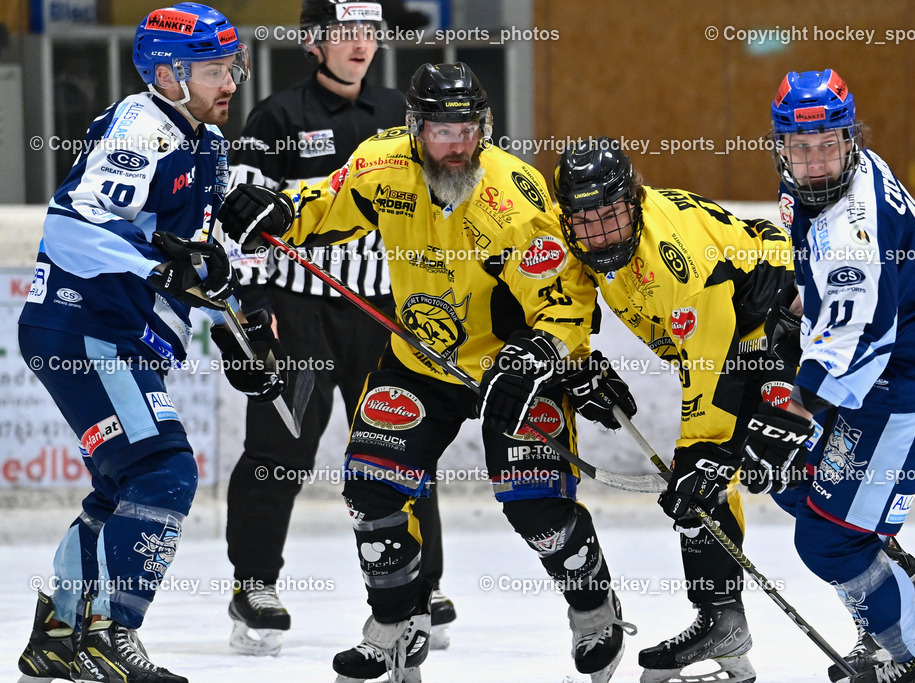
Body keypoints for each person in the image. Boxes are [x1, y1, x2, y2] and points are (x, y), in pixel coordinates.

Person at [219, 61, 636, 683]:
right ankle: (394, 622)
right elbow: (326, 205)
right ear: (414, 128)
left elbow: (564, 297)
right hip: (420, 358)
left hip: (511, 369)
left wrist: (542, 353)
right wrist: (278, 211)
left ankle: (593, 608)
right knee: (373, 489)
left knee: (535, 505)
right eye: (442, 131)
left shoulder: (513, 196)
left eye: (467, 129)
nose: (456, 145)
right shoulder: (380, 164)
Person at [14, 4, 281, 682]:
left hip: (112, 333)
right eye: (218, 69)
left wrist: (237, 325)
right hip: (85, 326)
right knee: (165, 472)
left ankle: (58, 631)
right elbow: (68, 229)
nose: (233, 81)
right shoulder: (142, 128)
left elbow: (194, 257)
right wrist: (165, 268)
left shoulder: (206, 141)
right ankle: (110, 633)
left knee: (123, 486)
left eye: (234, 66)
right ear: (168, 74)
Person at [220, 0, 455, 656]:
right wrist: (255, 306)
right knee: (278, 450)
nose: (360, 45)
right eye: (345, 33)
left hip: (381, 309)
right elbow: (240, 227)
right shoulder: (276, 117)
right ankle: (254, 583)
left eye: (369, 33)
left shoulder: (398, 116)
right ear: (312, 42)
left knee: (402, 440)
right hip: (299, 315)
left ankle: (421, 584)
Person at [743, 68, 915, 683]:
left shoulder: (852, 229)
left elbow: (856, 341)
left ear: (849, 139)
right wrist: (801, 304)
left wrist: (790, 416)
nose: (818, 161)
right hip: (906, 360)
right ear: (780, 147)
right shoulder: (834, 177)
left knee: (829, 541)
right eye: (802, 147)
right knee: (797, 482)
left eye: (828, 144)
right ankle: (912, 592)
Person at [552, 138, 795, 683]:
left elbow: (711, 368)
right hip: (732, 331)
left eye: (610, 216)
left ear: (633, 201)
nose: (599, 233)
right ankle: (722, 622)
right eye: (584, 221)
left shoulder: (675, 264)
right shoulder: (582, 233)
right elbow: (559, 295)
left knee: (760, 475)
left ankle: (904, 591)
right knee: (707, 487)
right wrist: (579, 363)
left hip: (780, 325)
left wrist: (706, 454)